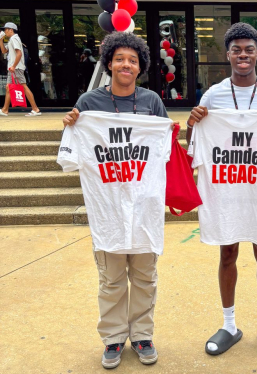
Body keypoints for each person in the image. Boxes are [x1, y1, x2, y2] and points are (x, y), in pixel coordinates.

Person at [62, 31, 177, 369]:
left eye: (133, 60)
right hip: (109, 208)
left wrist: (171, 134)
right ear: (109, 62)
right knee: (111, 279)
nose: (126, 64)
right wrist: (70, 126)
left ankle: (142, 335)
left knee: (145, 276)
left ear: (140, 67)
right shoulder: (88, 104)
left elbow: (164, 151)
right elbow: (74, 153)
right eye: (120, 59)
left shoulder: (152, 102)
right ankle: (113, 339)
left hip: (144, 207)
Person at [186, 22, 257, 358]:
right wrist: (193, 123)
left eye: (248, 49)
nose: (243, 55)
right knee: (227, 253)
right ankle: (229, 324)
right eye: (236, 50)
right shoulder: (213, 95)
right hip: (226, 191)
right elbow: (194, 144)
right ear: (228, 55)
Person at [0, 22, 41, 116]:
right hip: (13, 68)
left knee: (23, 86)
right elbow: (3, 51)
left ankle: (35, 109)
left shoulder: (14, 39)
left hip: (16, 68)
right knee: (8, 87)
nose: (4, 31)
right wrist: (0, 40)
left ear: (11, 30)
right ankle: (5, 110)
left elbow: (19, 53)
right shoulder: (12, 39)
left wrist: (14, 66)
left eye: (5, 29)